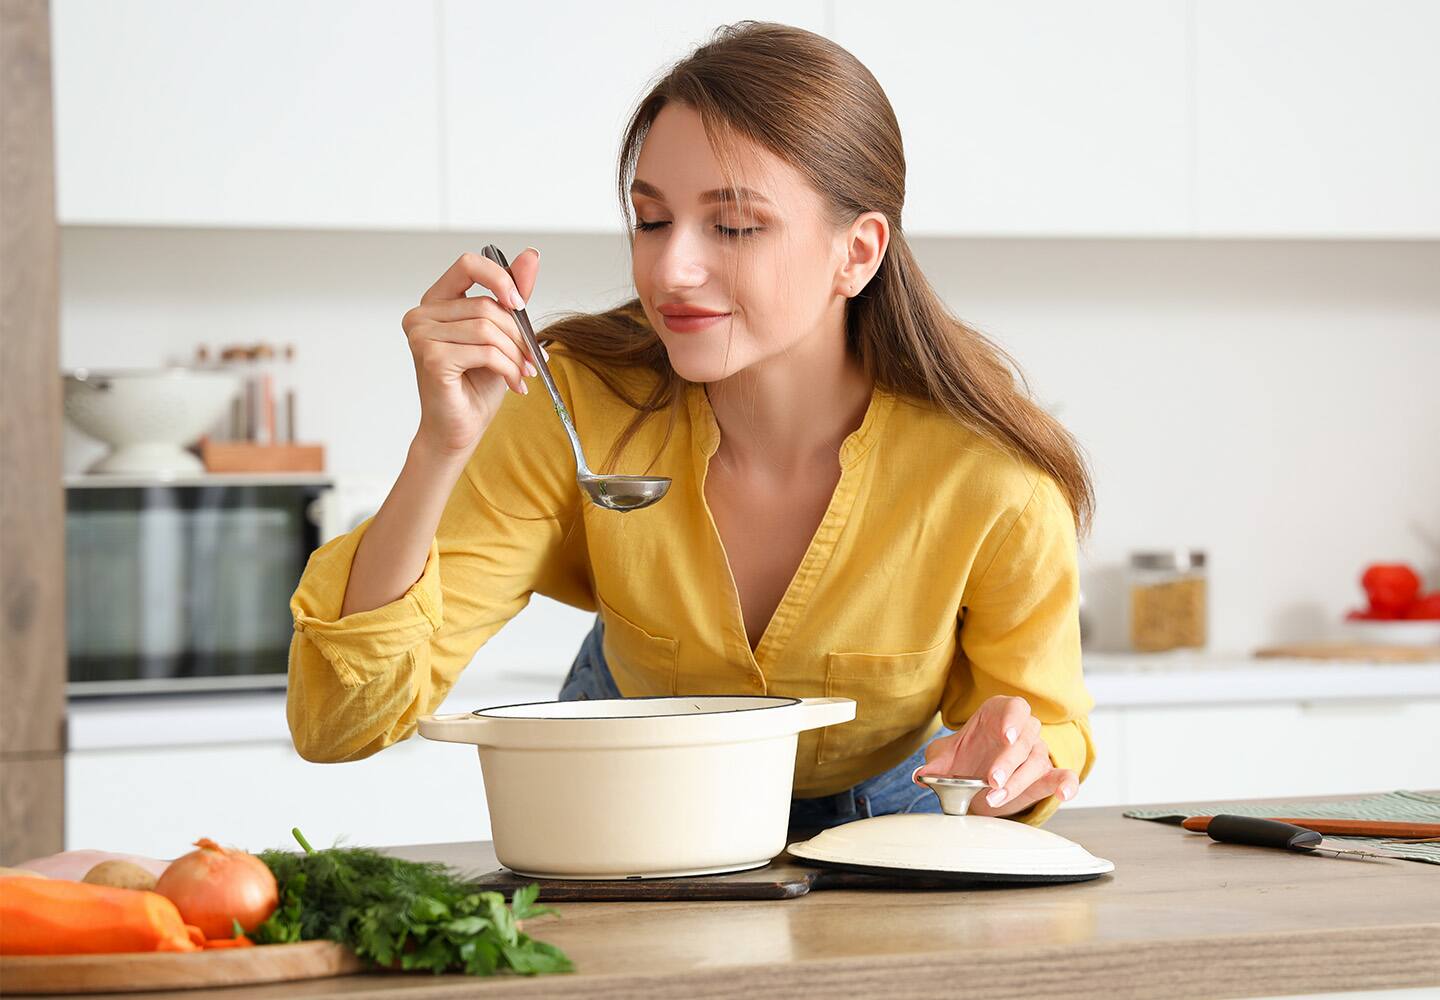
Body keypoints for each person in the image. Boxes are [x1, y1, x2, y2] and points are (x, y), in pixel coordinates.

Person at [287, 21, 1097, 831]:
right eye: (650, 220)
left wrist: (1018, 753)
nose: (669, 270)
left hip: (888, 830)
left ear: (858, 252)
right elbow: (339, 726)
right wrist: (440, 447)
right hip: (621, 815)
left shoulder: (993, 479)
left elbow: (1047, 724)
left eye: (735, 226)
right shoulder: (574, 406)